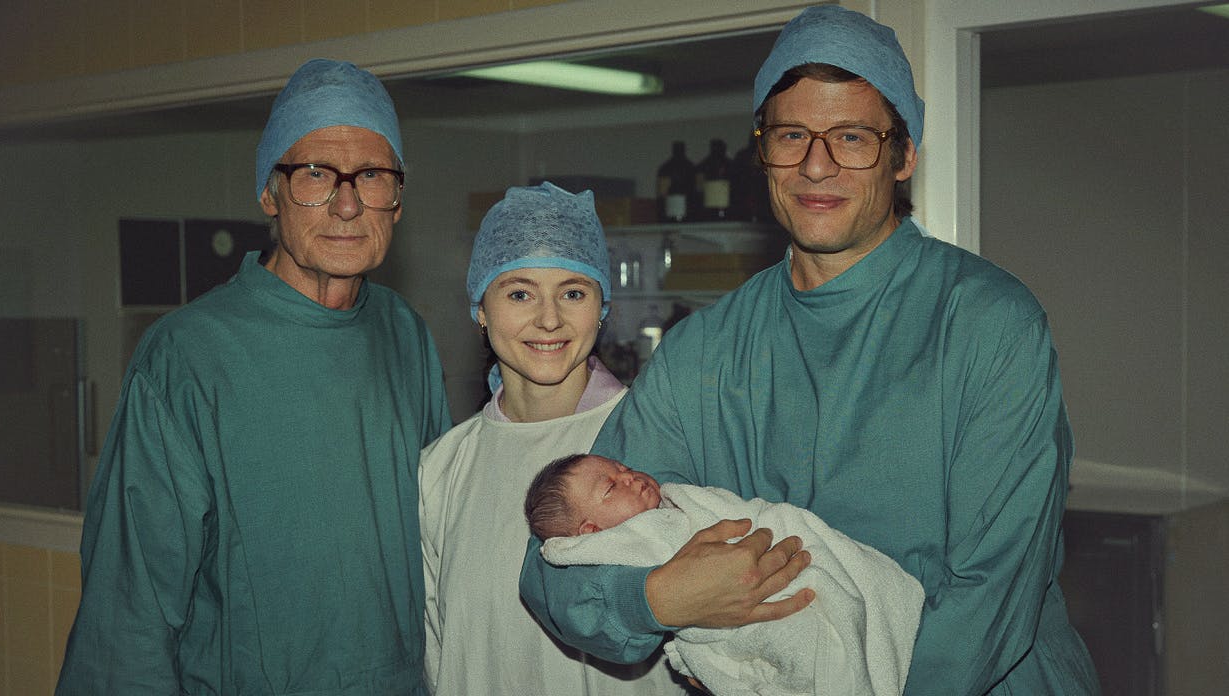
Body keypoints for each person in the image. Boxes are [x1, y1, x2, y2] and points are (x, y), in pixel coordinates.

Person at [520, 5, 1101, 695]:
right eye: (792, 135)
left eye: (852, 136)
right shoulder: (705, 351)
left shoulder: (986, 325)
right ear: (761, 151)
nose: (816, 165)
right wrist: (657, 600)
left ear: (904, 154)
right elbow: (554, 564)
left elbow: (993, 590)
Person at [56, 58, 452, 695]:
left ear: (397, 201)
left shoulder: (404, 334)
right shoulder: (187, 356)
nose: (347, 204)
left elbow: (444, 541)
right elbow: (129, 608)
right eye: (316, 174)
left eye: (372, 175)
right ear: (269, 194)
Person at [418, 182, 684, 695]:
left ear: (602, 308)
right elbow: (438, 649)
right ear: (480, 308)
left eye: (573, 293)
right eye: (519, 293)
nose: (548, 319)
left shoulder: (655, 439)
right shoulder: (442, 470)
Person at [526, 452, 924, 696]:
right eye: (611, 487)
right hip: (732, 629)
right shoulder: (621, 545)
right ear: (591, 534)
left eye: (624, 467)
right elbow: (560, 560)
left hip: (784, 567)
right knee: (807, 653)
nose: (629, 476)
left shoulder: (680, 503)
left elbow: (745, 514)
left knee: (833, 615)